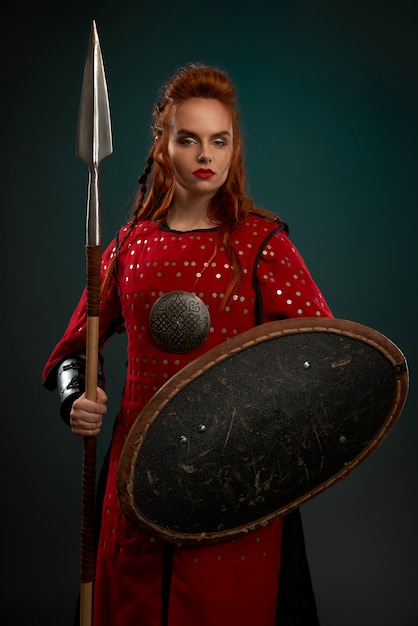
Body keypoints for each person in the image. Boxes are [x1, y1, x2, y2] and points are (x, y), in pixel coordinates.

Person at [43, 63, 333, 626]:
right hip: (135, 471)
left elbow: (323, 358)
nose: (206, 154)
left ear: (233, 149)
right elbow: (72, 351)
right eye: (189, 139)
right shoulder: (128, 245)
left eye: (219, 140)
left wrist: (267, 434)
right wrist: (78, 395)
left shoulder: (261, 243)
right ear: (164, 147)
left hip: (235, 475)